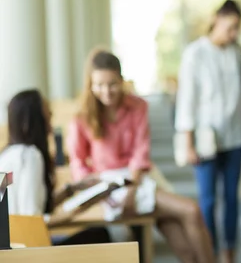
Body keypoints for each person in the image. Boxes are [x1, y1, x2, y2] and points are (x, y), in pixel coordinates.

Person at [67, 49, 215, 263]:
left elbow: (140, 151)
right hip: (107, 186)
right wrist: (96, 191)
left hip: (140, 176)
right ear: (90, 84)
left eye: (112, 84)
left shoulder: (138, 106)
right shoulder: (81, 116)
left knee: (178, 236)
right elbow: (78, 162)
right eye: (99, 85)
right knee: (190, 210)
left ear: (122, 80)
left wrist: (132, 188)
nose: (106, 91)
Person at [175, 0, 241, 263]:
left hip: (235, 137)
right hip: (205, 140)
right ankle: (211, 253)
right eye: (231, 26)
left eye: (238, 28)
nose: (234, 33)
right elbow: (187, 100)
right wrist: (188, 142)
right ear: (217, 19)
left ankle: (230, 252)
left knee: (232, 201)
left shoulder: (236, 52)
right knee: (207, 201)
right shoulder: (195, 53)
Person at [0, 89, 111, 245]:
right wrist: (74, 212)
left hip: (12, 246)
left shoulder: (9, 155)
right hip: (29, 251)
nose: (51, 114)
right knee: (100, 235)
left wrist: (72, 189)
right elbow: (31, 220)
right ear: (34, 118)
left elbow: (30, 205)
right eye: (46, 111)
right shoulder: (30, 157)